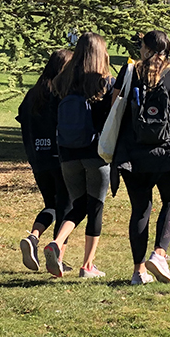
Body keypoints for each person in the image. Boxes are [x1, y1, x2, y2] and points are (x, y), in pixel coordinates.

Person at [110, 31, 170, 285]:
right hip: (165, 153)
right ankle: (160, 253)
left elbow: (115, 106)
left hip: (132, 154)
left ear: (145, 48)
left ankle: (138, 272)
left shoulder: (130, 71)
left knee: (140, 209)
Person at [42, 32, 114, 279]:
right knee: (94, 206)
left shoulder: (62, 80)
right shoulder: (104, 82)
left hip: (67, 153)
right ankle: (88, 265)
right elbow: (111, 118)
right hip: (95, 152)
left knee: (78, 204)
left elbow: (53, 113)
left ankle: (58, 242)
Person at [15, 48, 74, 273]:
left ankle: (33, 237)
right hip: (60, 159)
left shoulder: (33, 94)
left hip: (38, 160)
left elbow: (22, 119)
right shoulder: (61, 94)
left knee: (52, 204)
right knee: (67, 209)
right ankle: (57, 257)